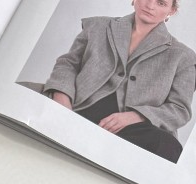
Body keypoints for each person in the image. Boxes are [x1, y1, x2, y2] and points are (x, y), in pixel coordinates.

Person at [42, 0, 196, 162]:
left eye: (161, 3)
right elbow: (68, 64)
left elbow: (179, 109)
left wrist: (135, 116)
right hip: (81, 107)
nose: (150, 5)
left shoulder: (184, 56)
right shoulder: (97, 25)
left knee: (168, 147)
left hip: (135, 128)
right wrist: (62, 101)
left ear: (171, 11)